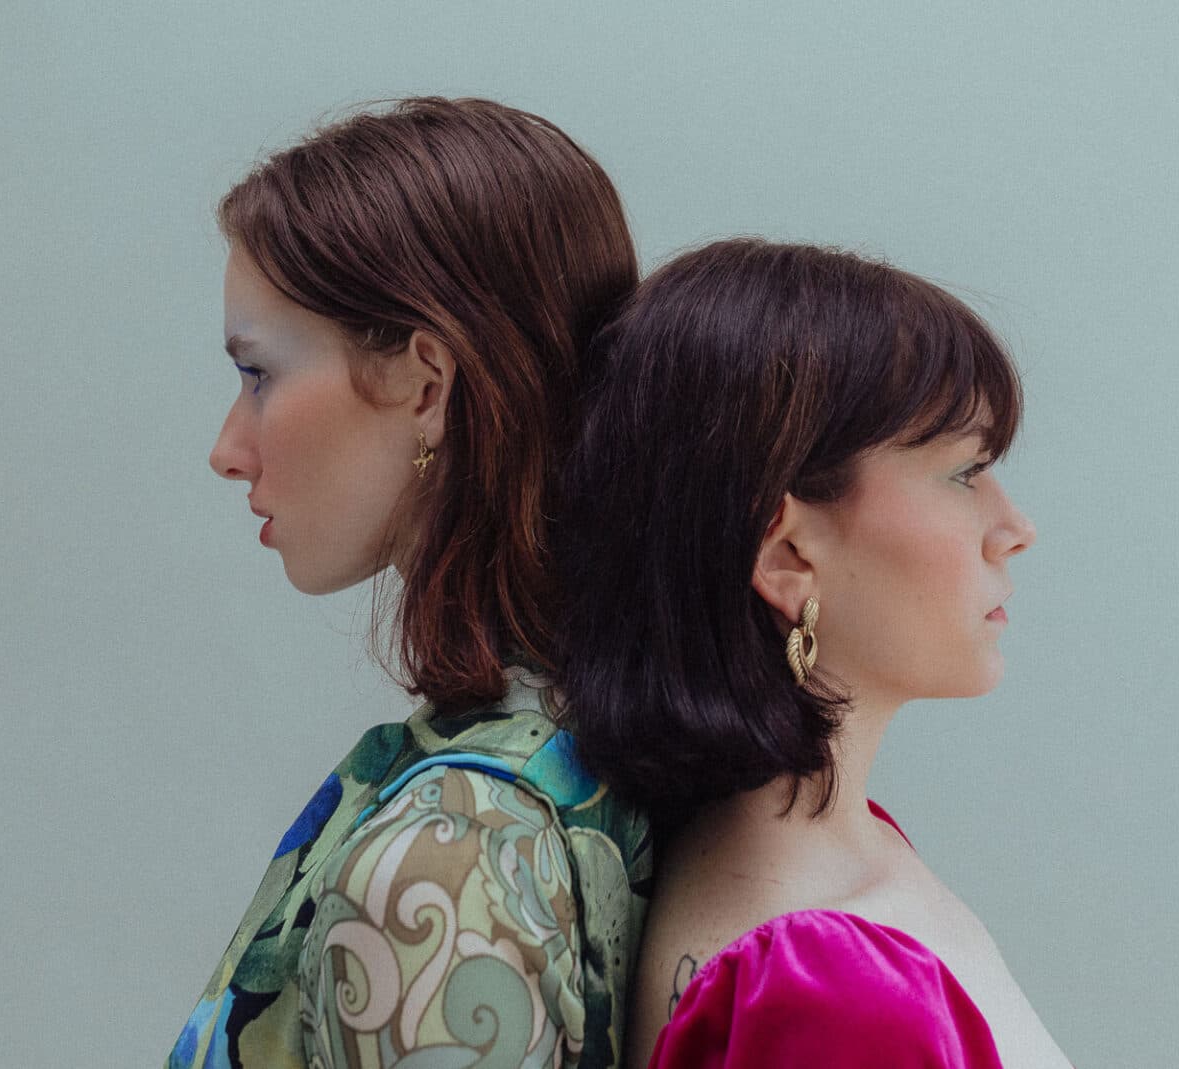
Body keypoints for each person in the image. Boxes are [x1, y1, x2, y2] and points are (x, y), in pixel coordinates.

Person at [170, 98, 651, 1069]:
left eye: (259, 374)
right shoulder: (617, 739)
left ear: (428, 385)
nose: (227, 449)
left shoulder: (450, 853)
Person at [556, 239, 1073, 1067]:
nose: (1015, 529)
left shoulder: (850, 853)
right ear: (786, 554)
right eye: (964, 471)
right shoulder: (822, 987)